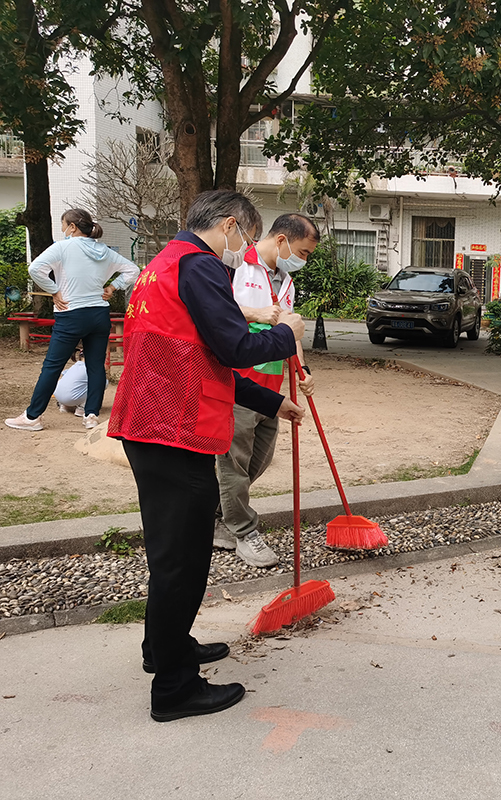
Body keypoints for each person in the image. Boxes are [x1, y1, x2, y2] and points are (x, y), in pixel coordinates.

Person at [107, 190, 306, 722]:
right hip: (174, 428)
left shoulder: (161, 266)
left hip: (152, 421)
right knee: (185, 560)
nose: (241, 248)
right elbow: (237, 348)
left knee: (170, 553)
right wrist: (287, 333)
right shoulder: (199, 268)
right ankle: (175, 688)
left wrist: (273, 401)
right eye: (242, 234)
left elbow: (202, 357)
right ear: (227, 225)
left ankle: (165, 649)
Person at [214, 213, 319, 568]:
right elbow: (215, 314)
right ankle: (242, 530)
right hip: (239, 384)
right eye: (302, 252)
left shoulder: (286, 281)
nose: (303, 261)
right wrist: (256, 313)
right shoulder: (236, 266)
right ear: (282, 240)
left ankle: (215, 518)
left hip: (271, 387)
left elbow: (291, 330)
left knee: (258, 461)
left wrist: (301, 369)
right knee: (234, 464)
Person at [5, 209, 140, 432]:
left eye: (63, 224)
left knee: (52, 366)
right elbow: (132, 269)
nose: (62, 229)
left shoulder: (63, 247)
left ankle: (33, 417)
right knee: (96, 366)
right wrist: (113, 287)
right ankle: (91, 415)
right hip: (99, 314)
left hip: (71, 314)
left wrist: (54, 291)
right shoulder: (103, 250)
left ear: (73, 227)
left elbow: (35, 268)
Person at [54, 350, 88, 416]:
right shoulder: (90, 368)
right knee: (98, 385)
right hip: (72, 398)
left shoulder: (75, 365)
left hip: (58, 396)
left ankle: (65, 405)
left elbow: (64, 373)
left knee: (76, 385)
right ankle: (82, 408)